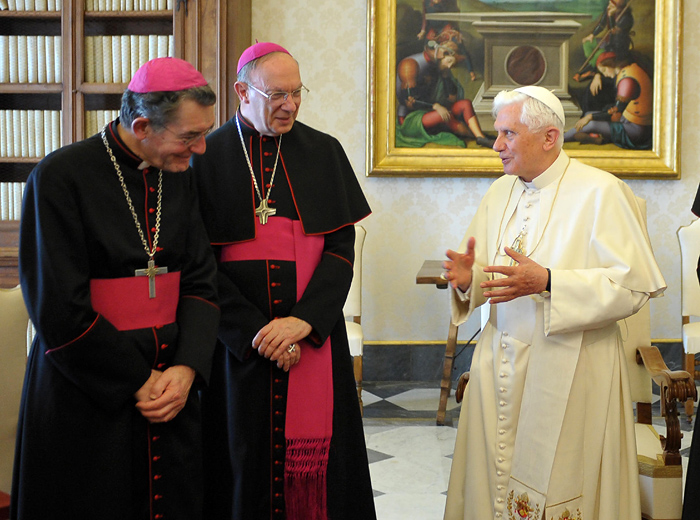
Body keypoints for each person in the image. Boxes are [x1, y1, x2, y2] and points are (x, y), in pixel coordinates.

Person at [441, 85, 666, 520]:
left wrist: (548, 281)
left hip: (576, 366)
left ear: (549, 137)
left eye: (507, 133)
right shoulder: (499, 193)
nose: (496, 145)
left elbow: (633, 286)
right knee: (493, 486)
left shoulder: (602, 192)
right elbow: (490, 276)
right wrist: (470, 280)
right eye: (497, 133)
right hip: (499, 363)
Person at [11, 57, 221, 520]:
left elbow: (202, 281)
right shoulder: (60, 178)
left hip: (171, 387)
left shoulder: (177, 174)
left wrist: (185, 369)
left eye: (204, 133)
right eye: (190, 136)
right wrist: (138, 381)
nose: (202, 149)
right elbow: (57, 309)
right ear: (142, 124)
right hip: (86, 389)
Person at [190, 42, 376, 520]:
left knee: (326, 469)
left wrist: (303, 322)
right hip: (237, 348)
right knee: (238, 459)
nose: (289, 105)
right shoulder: (205, 158)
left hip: (312, 338)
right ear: (241, 92)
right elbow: (197, 264)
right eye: (276, 94)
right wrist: (254, 330)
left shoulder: (323, 151)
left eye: (296, 93)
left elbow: (339, 249)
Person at [396, 40, 494, 149]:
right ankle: (477, 137)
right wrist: (435, 106)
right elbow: (409, 101)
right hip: (411, 118)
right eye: (448, 61)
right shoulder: (410, 65)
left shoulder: (439, 67)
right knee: (445, 115)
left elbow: (452, 99)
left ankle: (480, 137)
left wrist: (445, 75)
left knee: (465, 104)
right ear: (440, 54)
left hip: (431, 112)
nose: (449, 66)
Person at [566, 51, 653, 149]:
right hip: (628, 119)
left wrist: (591, 117)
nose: (605, 75)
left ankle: (562, 139)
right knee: (588, 115)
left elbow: (616, 111)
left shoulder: (627, 81)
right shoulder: (629, 69)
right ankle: (599, 138)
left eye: (604, 70)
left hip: (637, 129)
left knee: (592, 123)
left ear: (611, 64)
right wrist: (589, 116)